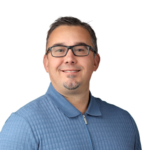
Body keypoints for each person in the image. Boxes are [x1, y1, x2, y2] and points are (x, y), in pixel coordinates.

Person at [0, 16, 142, 150]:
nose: (69, 58)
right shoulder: (22, 125)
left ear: (95, 62)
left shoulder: (125, 122)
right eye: (59, 50)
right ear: (46, 63)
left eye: (80, 50)